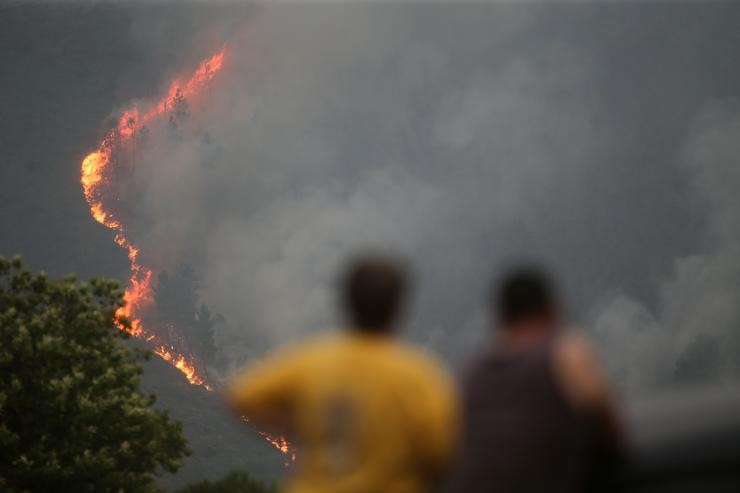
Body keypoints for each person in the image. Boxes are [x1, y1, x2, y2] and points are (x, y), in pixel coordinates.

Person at [228, 254, 458, 493]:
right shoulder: (418, 375)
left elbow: (242, 396)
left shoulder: (312, 360)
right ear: (397, 308)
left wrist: (298, 428)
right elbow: (443, 452)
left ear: (347, 302)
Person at [449, 266, 624, 493]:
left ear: (501, 320)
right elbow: (600, 409)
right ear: (552, 310)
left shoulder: (471, 372)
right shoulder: (563, 353)